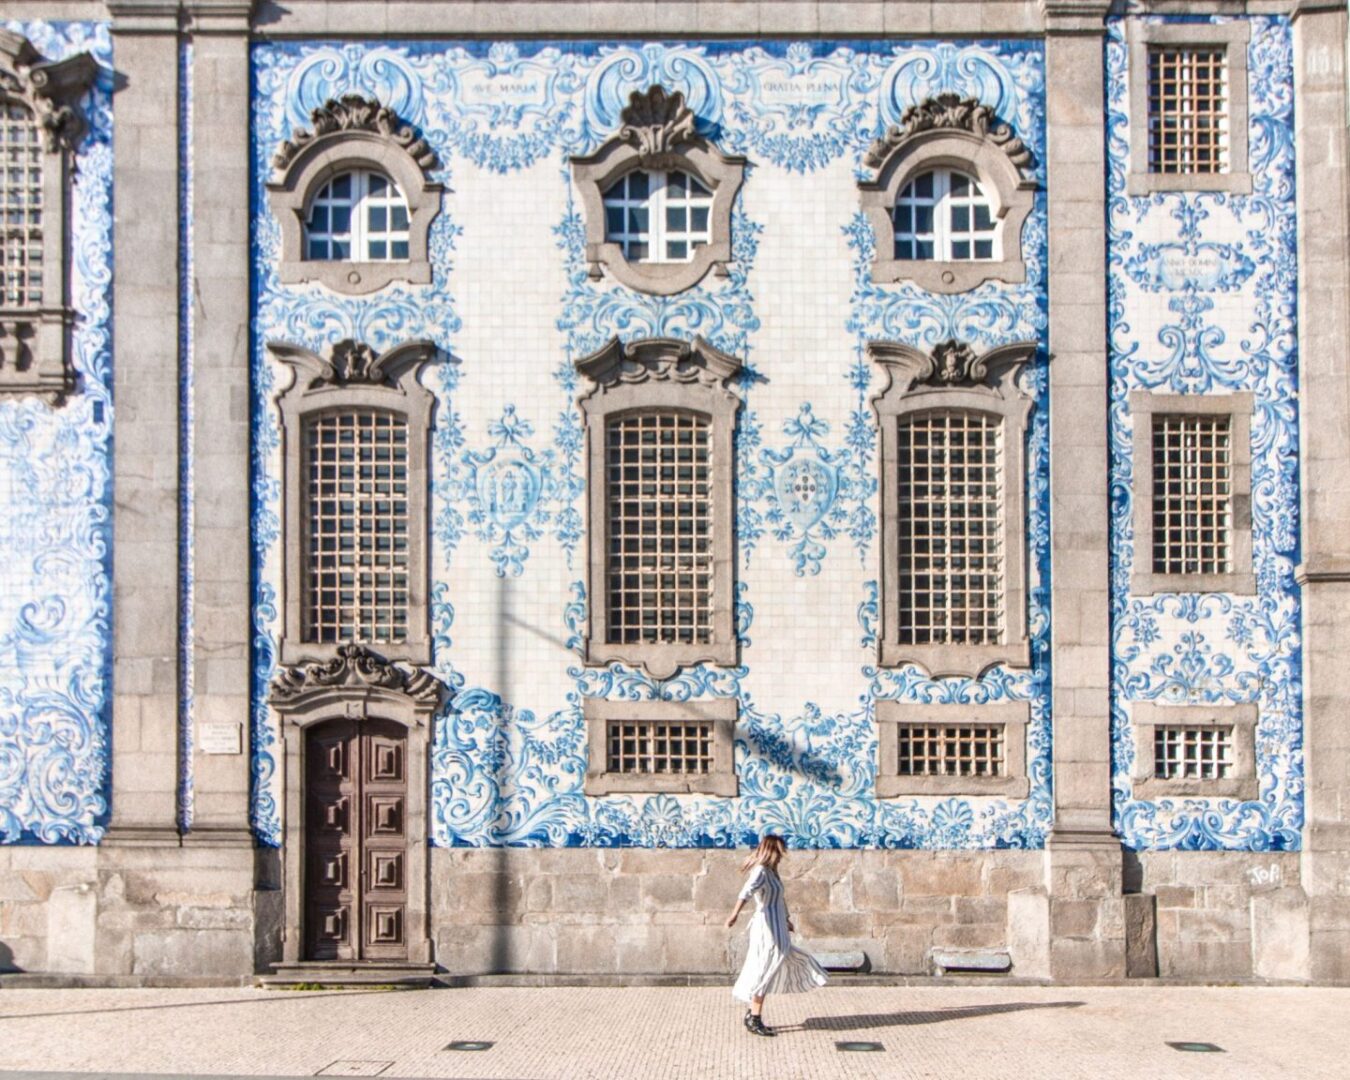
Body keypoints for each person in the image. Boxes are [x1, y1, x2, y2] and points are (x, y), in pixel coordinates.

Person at [725, 835, 828, 1036]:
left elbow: (780, 899)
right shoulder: (761, 871)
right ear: (772, 851)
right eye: (779, 852)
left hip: (777, 924)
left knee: (775, 962)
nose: (781, 856)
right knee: (766, 966)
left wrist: (787, 919)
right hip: (767, 927)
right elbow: (745, 892)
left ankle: (753, 1013)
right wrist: (734, 915)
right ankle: (754, 1016)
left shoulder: (772, 873)